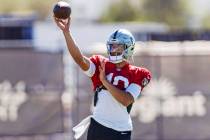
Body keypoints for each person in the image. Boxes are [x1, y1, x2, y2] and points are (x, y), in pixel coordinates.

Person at [54, 17, 152, 140]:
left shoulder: (138, 73)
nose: (114, 49)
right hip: (99, 126)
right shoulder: (101, 64)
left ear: (129, 48)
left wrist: (105, 82)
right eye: (112, 46)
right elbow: (79, 59)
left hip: (121, 130)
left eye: (118, 47)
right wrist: (66, 33)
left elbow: (126, 100)